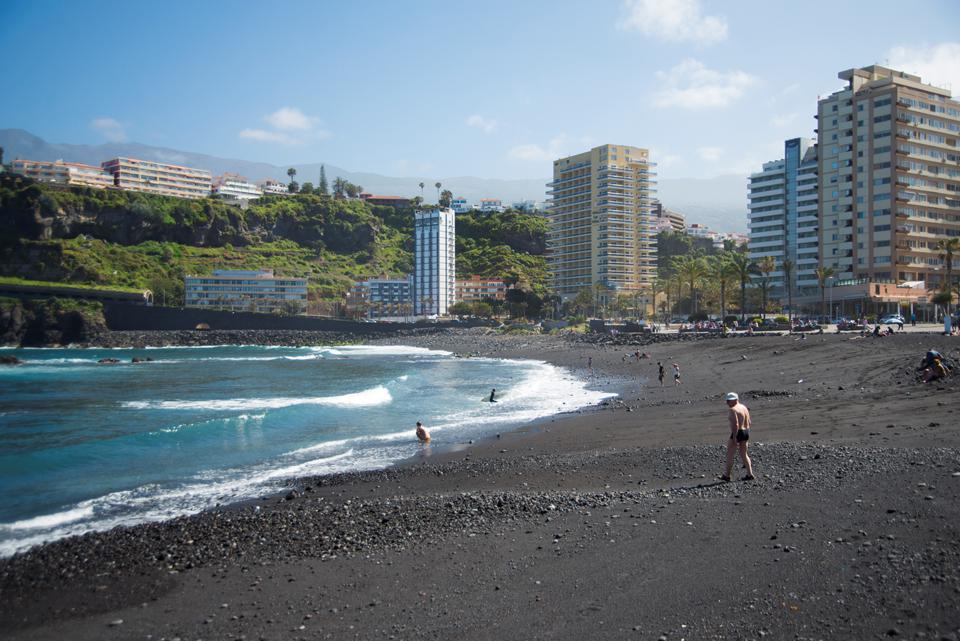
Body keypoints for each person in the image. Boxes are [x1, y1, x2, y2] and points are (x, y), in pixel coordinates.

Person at [721, 392, 754, 481]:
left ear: (736, 400)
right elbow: (749, 422)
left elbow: (735, 424)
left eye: (729, 401)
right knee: (744, 454)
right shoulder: (744, 407)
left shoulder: (733, 409)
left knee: (729, 454)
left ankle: (726, 475)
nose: (727, 403)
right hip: (746, 431)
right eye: (727, 401)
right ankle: (750, 474)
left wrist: (735, 437)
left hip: (738, 432)